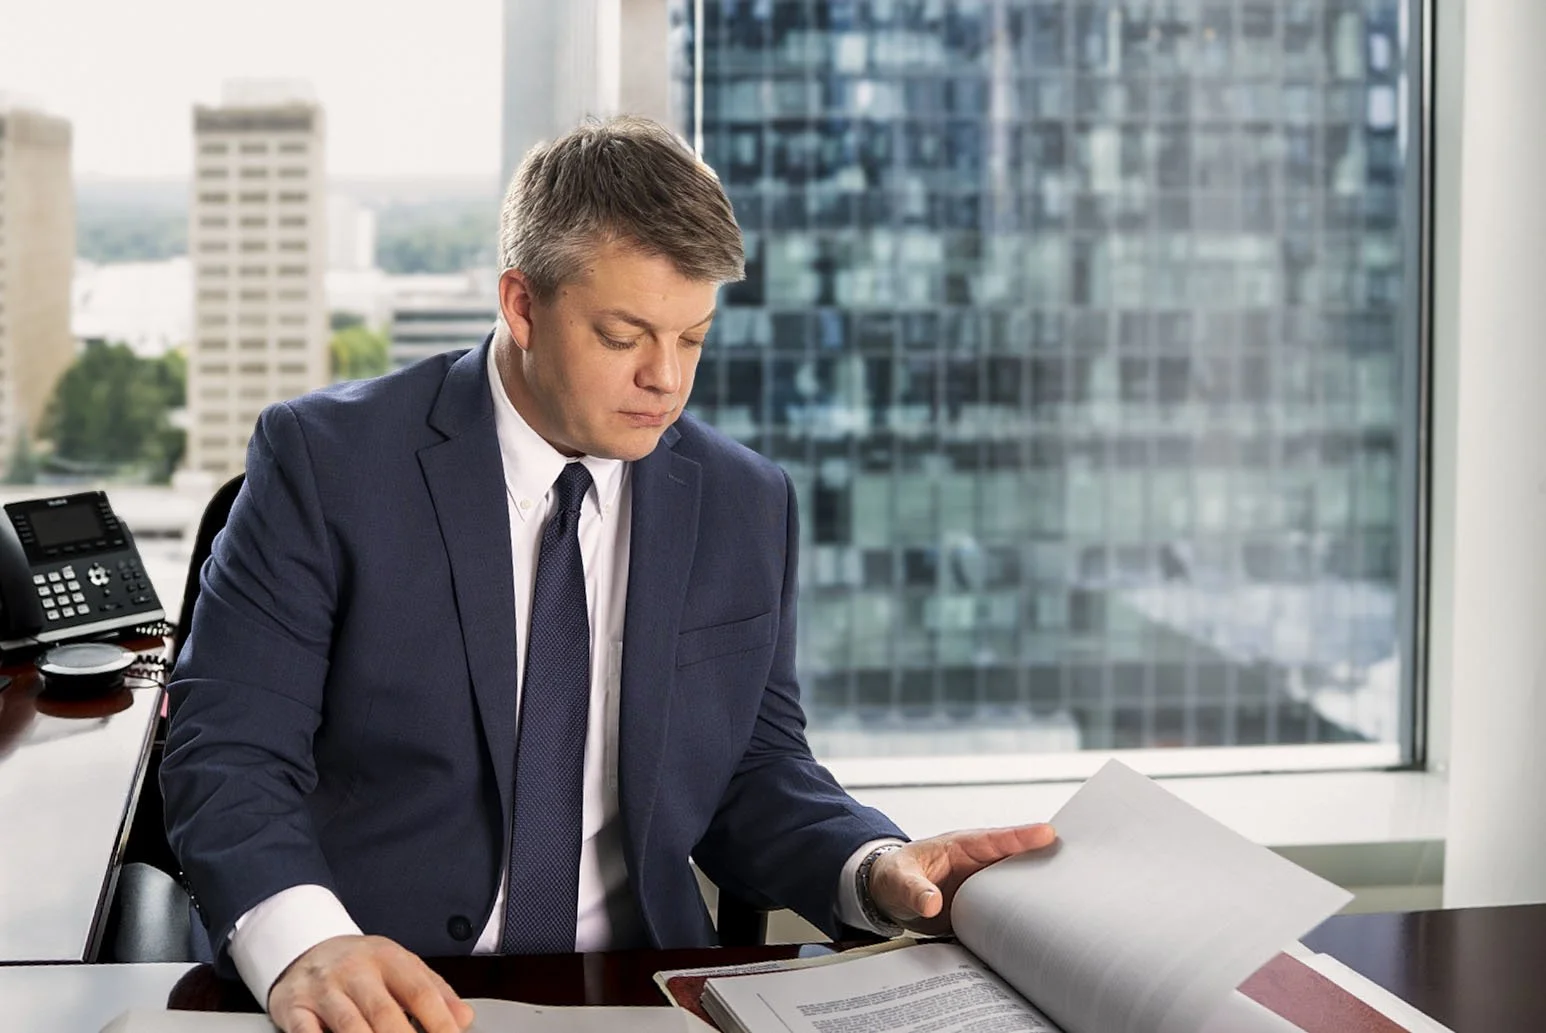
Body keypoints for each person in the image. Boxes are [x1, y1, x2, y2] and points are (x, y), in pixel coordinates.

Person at [161, 116, 1057, 1033]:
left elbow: (755, 765)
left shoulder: (745, 501)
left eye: (693, 339)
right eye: (625, 335)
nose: (666, 381)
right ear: (522, 304)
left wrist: (870, 865)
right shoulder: (329, 462)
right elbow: (228, 750)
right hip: (385, 985)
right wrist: (305, 941)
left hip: (642, 989)